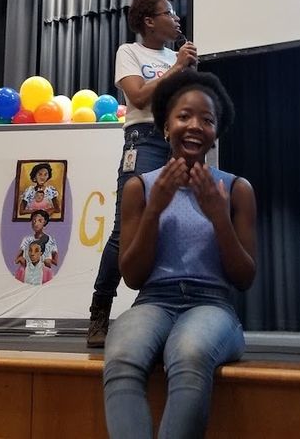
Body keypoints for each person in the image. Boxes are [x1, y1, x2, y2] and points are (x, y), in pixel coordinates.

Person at [102, 71, 257, 439]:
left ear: (216, 133)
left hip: (213, 306)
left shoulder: (236, 190)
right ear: (166, 126)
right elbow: (133, 277)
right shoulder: (141, 187)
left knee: (189, 354)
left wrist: (219, 217)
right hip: (153, 301)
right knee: (122, 356)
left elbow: (244, 278)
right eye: (184, 116)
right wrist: (155, 208)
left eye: (207, 120)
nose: (195, 126)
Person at [87, 0, 199, 347]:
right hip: (144, 142)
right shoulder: (130, 52)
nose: (177, 19)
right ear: (149, 21)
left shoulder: (178, 57)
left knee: (172, 227)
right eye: (169, 13)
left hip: (177, 143)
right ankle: (99, 311)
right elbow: (137, 97)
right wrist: (178, 68)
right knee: (126, 232)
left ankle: (152, 309)